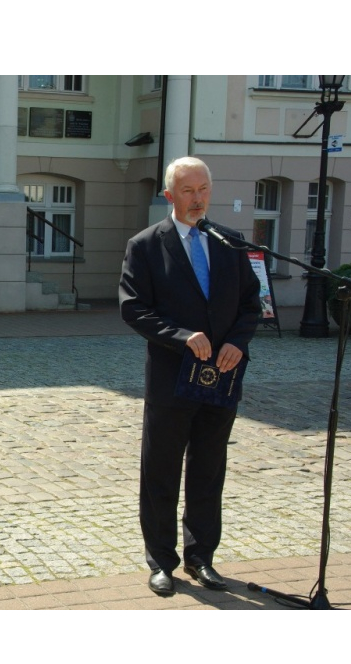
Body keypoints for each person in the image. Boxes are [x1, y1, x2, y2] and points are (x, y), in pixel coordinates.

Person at [119, 157, 261, 597]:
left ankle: (202, 558)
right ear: (169, 195)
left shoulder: (230, 242)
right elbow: (133, 308)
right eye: (188, 191)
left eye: (203, 190)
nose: (197, 198)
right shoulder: (145, 245)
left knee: (208, 469)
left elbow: (253, 304)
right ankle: (162, 561)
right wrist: (181, 337)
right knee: (160, 470)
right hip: (171, 378)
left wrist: (238, 340)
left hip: (221, 378)